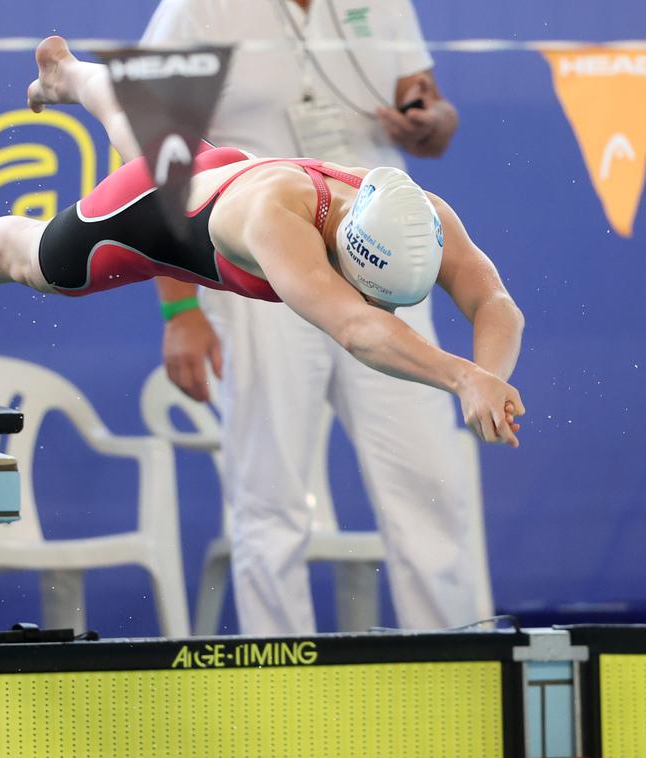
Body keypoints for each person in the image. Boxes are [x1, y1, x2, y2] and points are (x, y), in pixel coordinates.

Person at [0, 37, 525, 461]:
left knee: (149, 141)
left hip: (219, 172)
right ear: (351, 260)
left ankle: (70, 74)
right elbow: (359, 330)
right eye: (375, 292)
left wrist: (489, 378)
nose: (373, 300)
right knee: (42, 262)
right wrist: (461, 377)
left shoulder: (418, 213)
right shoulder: (282, 228)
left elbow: (494, 301)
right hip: (159, 217)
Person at [141, 0, 483, 635]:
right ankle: (283, 692)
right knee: (271, 498)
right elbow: (155, 162)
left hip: (380, 273)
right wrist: (181, 307)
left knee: (429, 484)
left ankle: (457, 672)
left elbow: (430, 107)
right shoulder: (196, 10)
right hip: (259, 268)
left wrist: (428, 123)